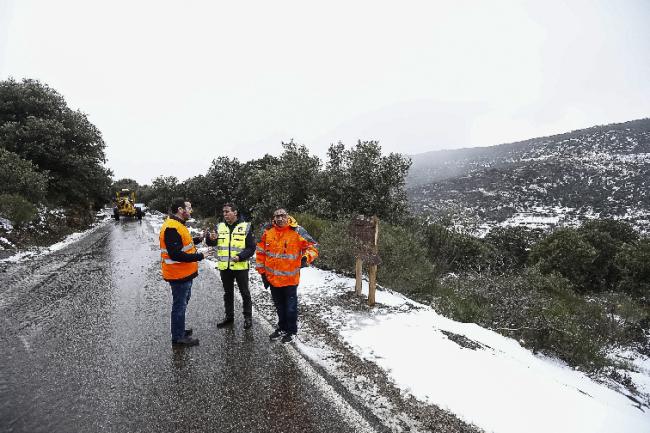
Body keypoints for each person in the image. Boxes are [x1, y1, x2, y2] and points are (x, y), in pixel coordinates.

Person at [256, 208, 319, 343]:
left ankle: (291, 331)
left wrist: (306, 257)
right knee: (279, 307)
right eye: (277, 216)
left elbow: (313, 247)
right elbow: (260, 253)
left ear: (287, 216)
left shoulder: (297, 231)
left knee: (290, 308)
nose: (279, 218)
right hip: (273, 279)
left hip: (290, 279)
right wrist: (262, 273)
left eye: (282, 215)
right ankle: (282, 328)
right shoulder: (268, 231)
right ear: (274, 218)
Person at [159, 198, 205, 347]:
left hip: (183, 274)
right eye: (189, 208)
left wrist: (198, 239)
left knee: (182, 304)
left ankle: (179, 330)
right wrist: (200, 256)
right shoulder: (172, 227)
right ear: (180, 209)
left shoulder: (178, 225)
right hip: (178, 275)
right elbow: (176, 254)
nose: (191, 211)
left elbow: (184, 244)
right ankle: (178, 338)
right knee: (179, 306)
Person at [205, 203, 255, 329]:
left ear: (235, 212)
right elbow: (212, 241)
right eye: (224, 212)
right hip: (224, 267)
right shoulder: (220, 226)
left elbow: (251, 248)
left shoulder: (245, 227)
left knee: (245, 293)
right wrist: (210, 238)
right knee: (228, 293)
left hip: (240, 266)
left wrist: (240, 256)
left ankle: (248, 318)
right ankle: (229, 317)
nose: (225, 214)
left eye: (227, 211)